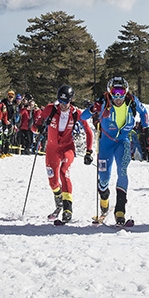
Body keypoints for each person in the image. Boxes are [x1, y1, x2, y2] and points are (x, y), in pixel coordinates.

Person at [87, 76, 149, 225]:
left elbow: (144, 112)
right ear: (110, 91)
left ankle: (120, 210)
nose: (118, 96)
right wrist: (92, 109)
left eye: (121, 91)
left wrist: (146, 129)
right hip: (106, 145)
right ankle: (104, 201)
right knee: (104, 179)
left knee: (122, 171)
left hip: (123, 143)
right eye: (115, 92)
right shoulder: (103, 101)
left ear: (126, 91)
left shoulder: (131, 101)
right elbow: (84, 116)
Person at [41, 85, 94, 222]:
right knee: (53, 182)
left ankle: (67, 208)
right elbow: (36, 124)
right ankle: (58, 199)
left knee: (64, 172)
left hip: (67, 148)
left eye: (66, 102)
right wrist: (39, 127)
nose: (63, 105)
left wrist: (89, 151)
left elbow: (88, 131)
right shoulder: (50, 109)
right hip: (52, 149)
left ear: (71, 100)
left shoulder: (76, 113)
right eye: (60, 101)